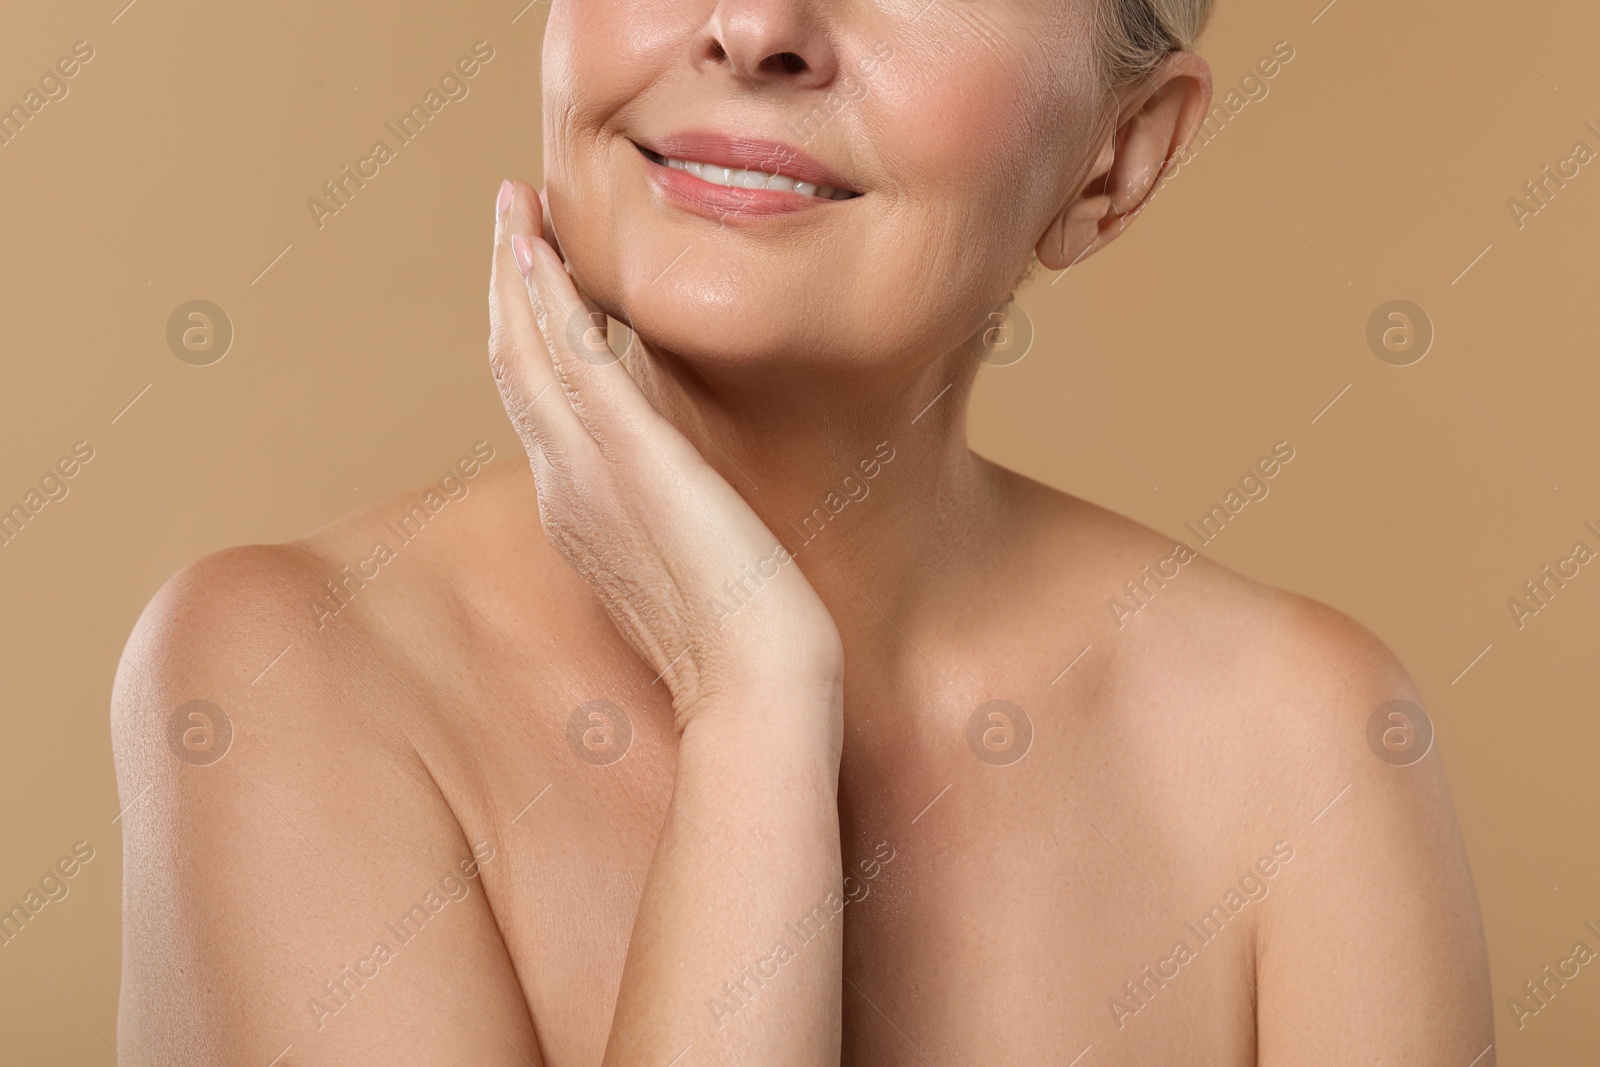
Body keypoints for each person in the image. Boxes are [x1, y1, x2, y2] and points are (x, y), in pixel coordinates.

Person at [112, 0, 1494, 1062]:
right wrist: (757, 703)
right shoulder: (282, 679)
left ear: (1116, 161)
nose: (761, 26)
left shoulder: (1301, 743)